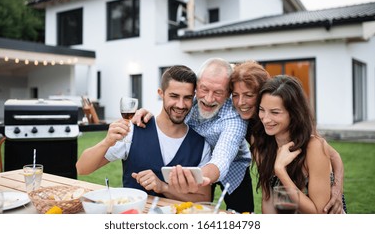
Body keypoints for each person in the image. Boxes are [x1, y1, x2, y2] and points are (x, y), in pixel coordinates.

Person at [134, 58, 254, 213]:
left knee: (241, 214)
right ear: (197, 86)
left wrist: (195, 176)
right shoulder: (189, 101)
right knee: (200, 210)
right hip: (197, 159)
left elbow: (222, 158)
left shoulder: (235, 119)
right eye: (204, 89)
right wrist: (147, 114)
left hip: (232, 168)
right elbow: (170, 110)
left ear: (228, 93)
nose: (209, 99)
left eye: (218, 92)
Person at [76, 65, 212, 202]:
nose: (181, 105)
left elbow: (205, 198)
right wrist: (106, 142)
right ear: (161, 93)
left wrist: (164, 187)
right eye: (174, 96)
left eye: (187, 98)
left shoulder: (201, 145)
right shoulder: (134, 129)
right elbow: (82, 168)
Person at [230, 60, 345, 213]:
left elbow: (334, 156)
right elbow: (268, 193)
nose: (240, 102)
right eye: (235, 95)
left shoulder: (311, 142)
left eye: (248, 95)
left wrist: (337, 188)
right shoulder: (259, 138)